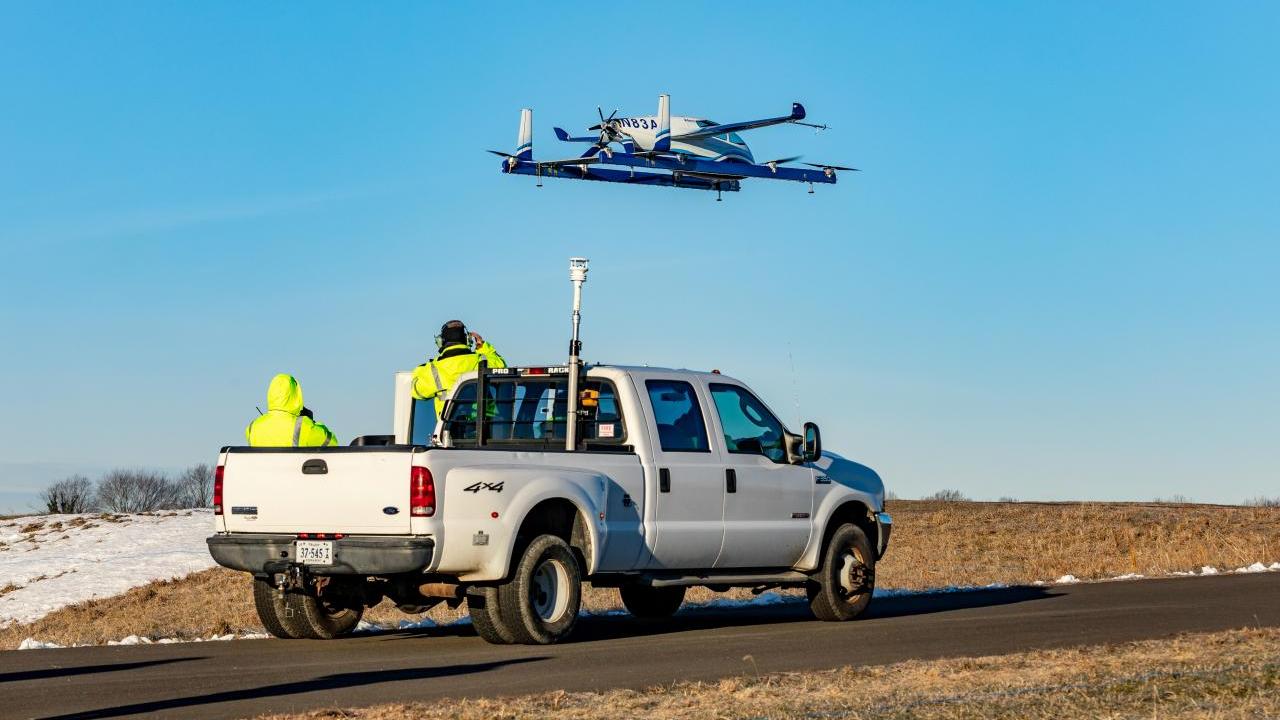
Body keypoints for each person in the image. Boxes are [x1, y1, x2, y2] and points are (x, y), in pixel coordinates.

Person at [413, 320, 506, 417]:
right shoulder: (481, 360)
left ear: (441, 342)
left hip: (450, 426)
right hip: (485, 426)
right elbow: (501, 365)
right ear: (467, 340)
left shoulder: (433, 369)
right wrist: (482, 346)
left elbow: (416, 391)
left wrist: (422, 369)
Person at [246, 373, 338, 447]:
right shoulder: (302, 426)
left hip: (263, 471)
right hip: (293, 470)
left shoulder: (252, 428)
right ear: (296, 395)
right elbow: (332, 443)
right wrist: (312, 422)